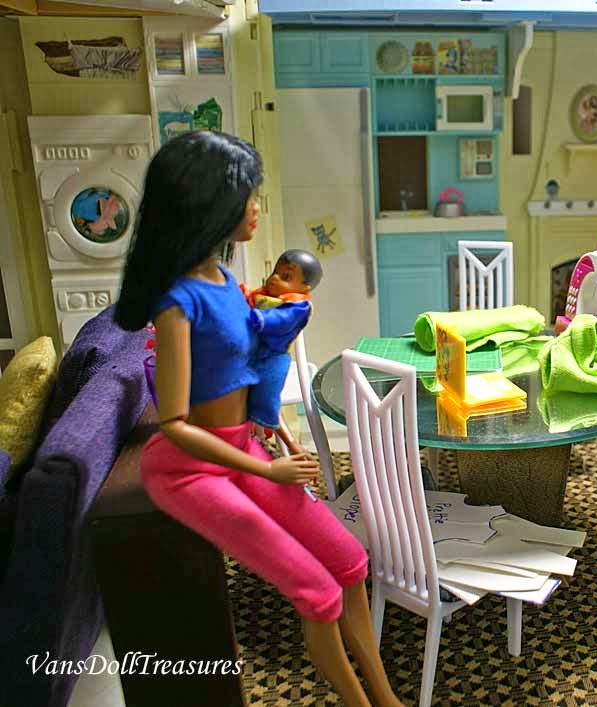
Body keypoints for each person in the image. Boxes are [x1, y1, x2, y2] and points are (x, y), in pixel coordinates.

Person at [115, 131, 402, 707]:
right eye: (247, 195)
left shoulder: (227, 283)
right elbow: (174, 425)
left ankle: (385, 695)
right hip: (188, 469)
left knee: (351, 563)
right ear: (211, 203)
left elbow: (243, 376)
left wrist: (279, 437)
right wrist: (268, 471)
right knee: (318, 592)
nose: (256, 207)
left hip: (244, 447)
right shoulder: (177, 303)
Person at [240, 249, 322, 432]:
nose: (274, 278)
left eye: (285, 277)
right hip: (251, 350)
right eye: (275, 272)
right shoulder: (264, 296)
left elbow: (282, 320)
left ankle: (263, 423)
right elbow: (249, 300)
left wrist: (260, 318)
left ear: (304, 288)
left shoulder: (299, 307)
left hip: (273, 356)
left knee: (267, 391)